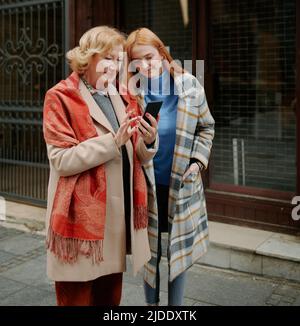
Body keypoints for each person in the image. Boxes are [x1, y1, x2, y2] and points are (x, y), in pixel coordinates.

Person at [43, 26, 158, 306]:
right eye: (108, 59)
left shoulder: (121, 95)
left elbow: (136, 154)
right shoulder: (60, 97)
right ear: (88, 58)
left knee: (110, 301)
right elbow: (61, 160)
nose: (115, 67)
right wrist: (111, 143)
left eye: (119, 60)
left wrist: (149, 140)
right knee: (77, 300)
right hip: (79, 225)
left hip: (116, 222)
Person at [126, 27, 215, 306]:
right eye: (136, 61)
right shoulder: (131, 95)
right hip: (149, 186)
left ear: (163, 53)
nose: (145, 65)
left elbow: (206, 128)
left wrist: (198, 162)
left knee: (178, 254)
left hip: (182, 184)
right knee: (151, 255)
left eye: (150, 56)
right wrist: (147, 141)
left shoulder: (189, 86)